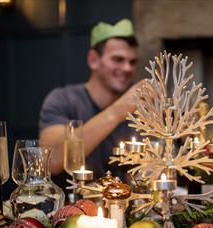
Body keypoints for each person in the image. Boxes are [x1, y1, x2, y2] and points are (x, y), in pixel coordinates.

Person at [39, 19, 148, 190]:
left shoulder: (142, 109)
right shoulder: (63, 99)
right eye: (118, 59)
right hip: (73, 211)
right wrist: (117, 111)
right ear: (93, 60)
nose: (127, 68)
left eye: (132, 62)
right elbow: (52, 162)